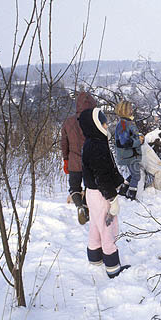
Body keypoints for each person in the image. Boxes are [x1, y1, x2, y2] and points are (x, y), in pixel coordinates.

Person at [78, 107, 131, 279]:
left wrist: (120, 181)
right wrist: (112, 198)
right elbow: (102, 176)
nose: (107, 124)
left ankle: (95, 258)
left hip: (92, 193)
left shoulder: (90, 142)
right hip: (101, 195)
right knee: (108, 228)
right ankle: (113, 268)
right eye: (103, 121)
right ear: (95, 125)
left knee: (96, 224)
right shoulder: (98, 145)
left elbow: (104, 171)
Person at [60, 92, 97, 224]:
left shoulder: (68, 122)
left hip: (74, 161)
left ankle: (79, 206)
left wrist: (66, 159)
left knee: (74, 187)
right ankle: (86, 208)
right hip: (91, 162)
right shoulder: (95, 121)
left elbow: (64, 143)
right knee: (90, 187)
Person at [114, 100, 145, 201]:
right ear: (125, 110)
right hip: (128, 155)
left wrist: (139, 137)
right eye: (130, 108)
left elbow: (130, 136)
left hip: (130, 154)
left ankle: (123, 190)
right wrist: (138, 141)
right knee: (136, 176)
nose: (132, 110)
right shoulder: (123, 124)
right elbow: (125, 142)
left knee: (134, 174)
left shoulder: (126, 122)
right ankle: (131, 196)